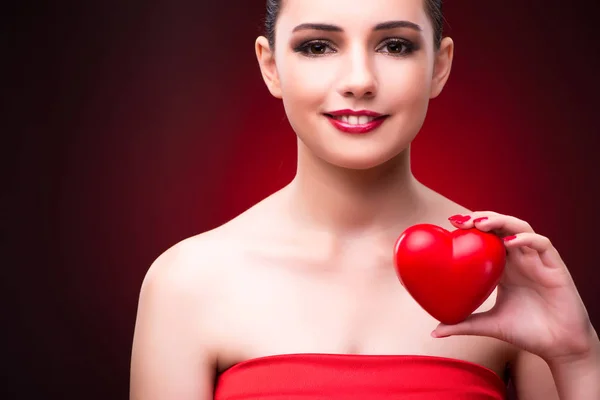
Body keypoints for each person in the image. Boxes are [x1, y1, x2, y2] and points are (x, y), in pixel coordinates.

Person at [129, 0, 600, 399]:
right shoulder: (187, 283)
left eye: (395, 46)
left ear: (439, 65)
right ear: (271, 66)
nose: (359, 80)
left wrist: (578, 359)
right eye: (318, 46)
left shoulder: (508, 277)